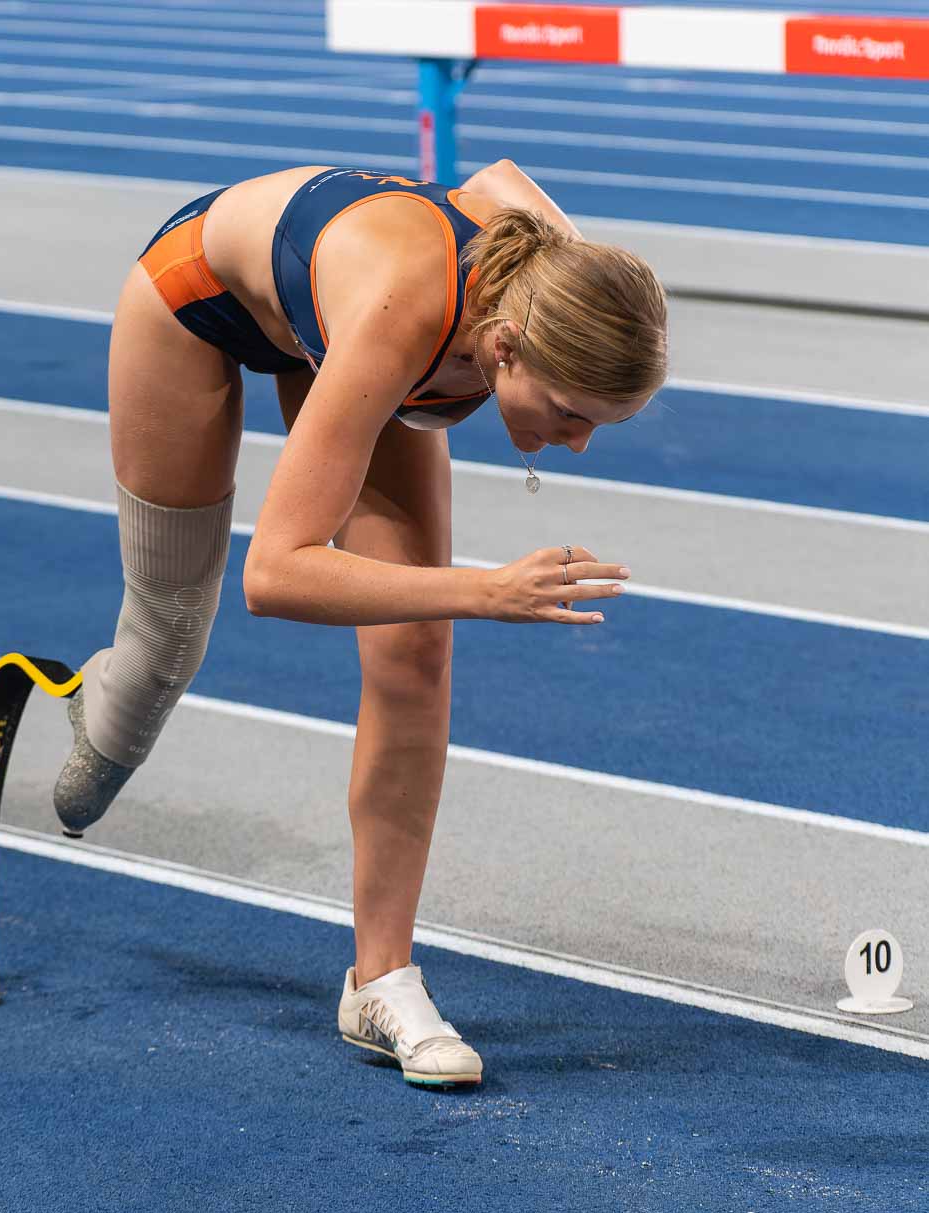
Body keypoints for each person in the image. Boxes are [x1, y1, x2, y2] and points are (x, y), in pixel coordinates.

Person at [53, 160, 668, 1089]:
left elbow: (496, 175)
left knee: (415, 653)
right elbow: (277, 574)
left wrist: (447, 599)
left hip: (343, 320)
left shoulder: (557, 286)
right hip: (200, 303)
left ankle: (379, 980)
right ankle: (108, 698)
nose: (577, 444)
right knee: (168, 641)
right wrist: (482, 590)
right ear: (502, 347)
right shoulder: (402, 310)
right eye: (573, 415)